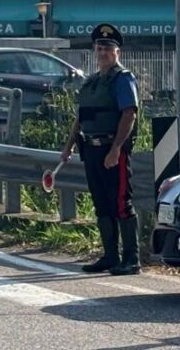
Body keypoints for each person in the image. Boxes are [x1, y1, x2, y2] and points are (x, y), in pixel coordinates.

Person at [59, 23, 140, 275]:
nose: (103, 51)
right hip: (91, 150)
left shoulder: (123, 79)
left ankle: (131, 259)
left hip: (111, 149)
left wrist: (116, 149)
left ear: (118, 52)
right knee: (101, 204)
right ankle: (109, 256)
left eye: (108, 48)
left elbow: (129, 114)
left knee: (120, 204)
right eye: (100, 47)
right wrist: (68, 146)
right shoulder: (92, 82)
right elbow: (81, 117)